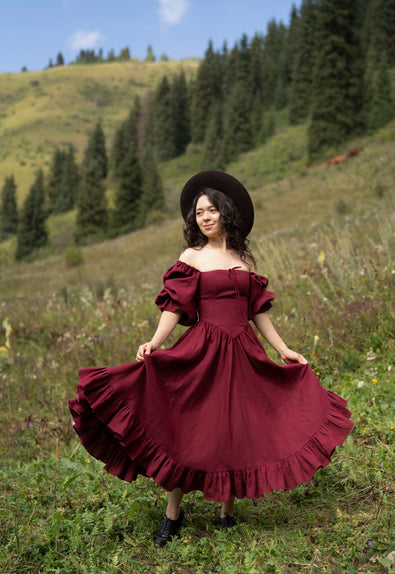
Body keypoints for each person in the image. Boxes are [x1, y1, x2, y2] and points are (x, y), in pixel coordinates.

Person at [69, 170, 353, 547]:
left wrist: (282, 349)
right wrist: (155, 342)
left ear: (225, 213)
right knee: (192, 430)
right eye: (198, 212)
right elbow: (174, 305)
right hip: (204, 351)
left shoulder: (243, 259)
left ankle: (227, 513)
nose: (204, 217)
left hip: (244, 352)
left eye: (211, 211)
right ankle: (173, 514)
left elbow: (258, 311)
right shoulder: (192, 257)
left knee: (236, 428)